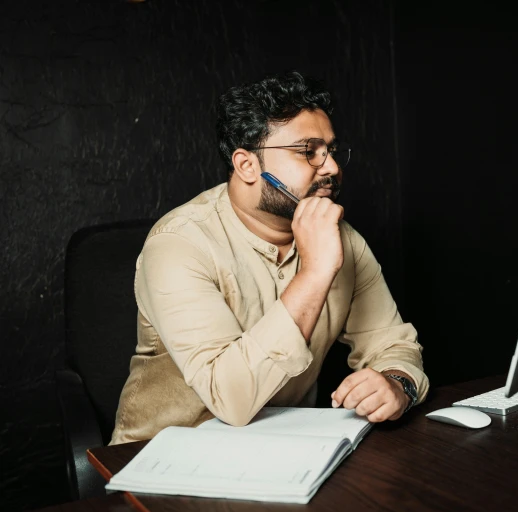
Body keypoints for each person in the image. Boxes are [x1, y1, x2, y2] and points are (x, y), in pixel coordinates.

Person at [110, 72, 429, 445]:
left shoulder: (344, 239)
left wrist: (397, 384)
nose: (331, 168)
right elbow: (231, 399)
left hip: (287, 451)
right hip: (162, 459)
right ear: (247, 165)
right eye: (307, 151)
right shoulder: (179, 244)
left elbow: (394, 345)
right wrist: (315, 272)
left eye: (330, 151)